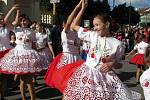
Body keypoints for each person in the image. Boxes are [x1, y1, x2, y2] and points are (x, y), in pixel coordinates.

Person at [49, 0, 141, 99]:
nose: (95, 28)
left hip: (104, 79)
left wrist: (113, 63)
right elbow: (74, 26)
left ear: (107, 25)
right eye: (94, 25)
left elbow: (119, 64)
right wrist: (82, 8)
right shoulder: (92, 35)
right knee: (69, 96)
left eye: (97, 25)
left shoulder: (118, 44)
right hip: (86, 72)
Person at [0, 5, 43, 100]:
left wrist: (37, 57)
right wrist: (13, 10)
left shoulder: (32, 32)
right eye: (22, 20)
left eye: (25, 20)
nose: (24, 22)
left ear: (28, 21)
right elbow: (6, 21)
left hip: (29, 56)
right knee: (22, 81)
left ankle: (32, 98)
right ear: (20, 22)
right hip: (19, 56)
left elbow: (33, 45)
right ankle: (23, 98)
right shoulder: (16, 29)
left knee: (29, 81)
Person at [44, 0, 83, 93]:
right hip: (67, 58)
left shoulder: (78, 33)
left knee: (76, 85)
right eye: (73, 21)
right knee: (66, 85)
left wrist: (83, 9)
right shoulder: (65, 32)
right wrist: (78, 7)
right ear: (64, 24)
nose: (75, 22)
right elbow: (70, 20)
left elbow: (78, 20)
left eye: (76, 21)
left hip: (77, 58)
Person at [0, 4, 19, 100]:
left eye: (2, 19)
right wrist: (12, 8)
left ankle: (2, 96)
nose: (1, 20)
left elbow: (15, 22)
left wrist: (17, 11)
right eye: (0, 19)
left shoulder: (7, 28)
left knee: (4, 77)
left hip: (6, 53)